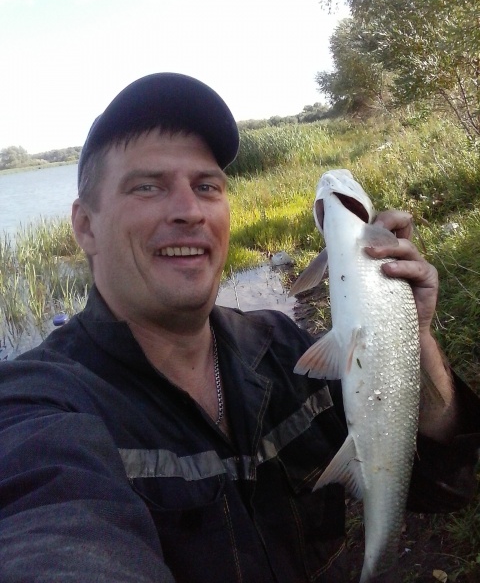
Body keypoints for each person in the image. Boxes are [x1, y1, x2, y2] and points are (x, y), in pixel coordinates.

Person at [0, 73, 478, 583]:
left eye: (206, 186)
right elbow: (52, 538)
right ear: (85, 226)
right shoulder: (39, 405)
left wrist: (411, 338)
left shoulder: (286, 350)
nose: (189, 211)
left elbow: (444, 484)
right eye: (147, 187)